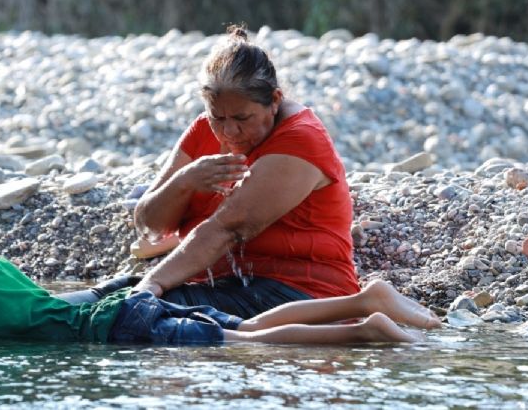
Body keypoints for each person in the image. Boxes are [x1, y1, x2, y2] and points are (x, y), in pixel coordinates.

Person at [0, 183, 439, 345]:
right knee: (245, 329)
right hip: (120, 309)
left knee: (247, 343)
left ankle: (363, 328)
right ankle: (366, 300)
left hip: (119, 327)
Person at [130, 25, 359, 318]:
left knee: (134, 314)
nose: (229, 131)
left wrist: (152, 283)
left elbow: (229, 228)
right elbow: (149, 223)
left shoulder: (301, 139)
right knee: (101, 302)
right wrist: (184, 182)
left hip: (302, 294)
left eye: (242, 118)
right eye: (218, 117)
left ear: (275, 100)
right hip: (226, 287)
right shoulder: (204, 129)